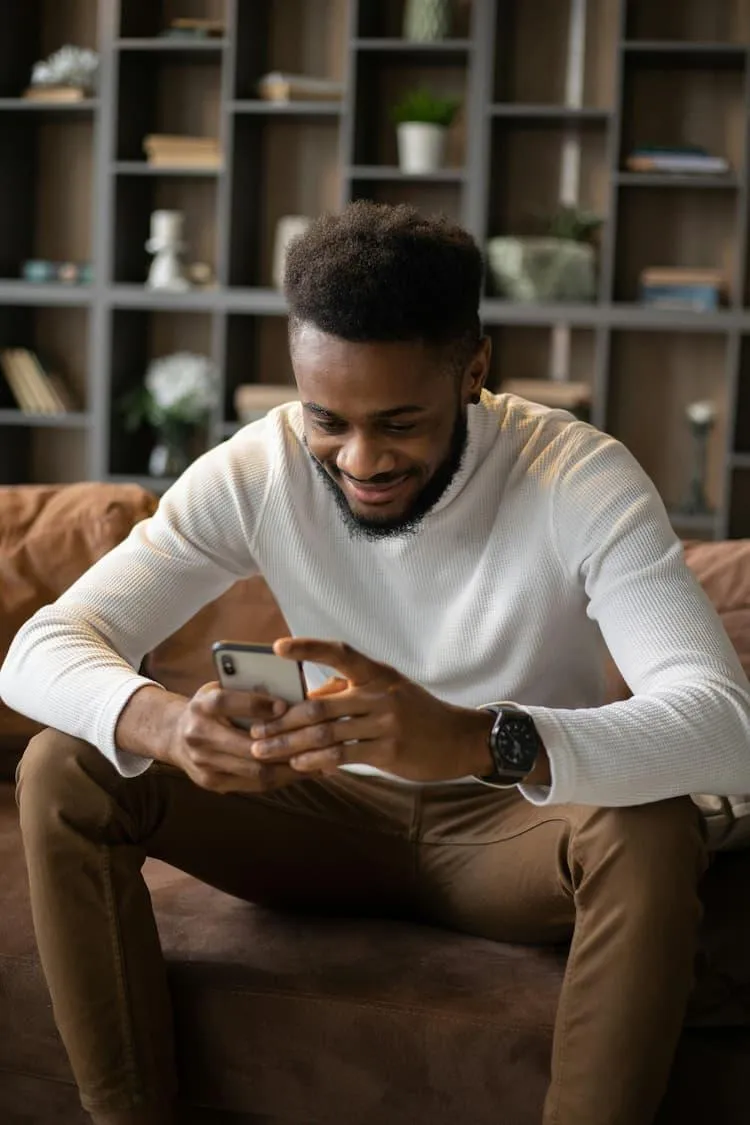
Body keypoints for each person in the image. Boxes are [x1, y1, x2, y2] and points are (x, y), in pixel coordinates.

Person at [2, 202, 750, 1125]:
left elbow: (727, 725)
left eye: (400, 422)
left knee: (650, 828)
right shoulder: (260, 466)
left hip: (509, 828)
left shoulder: (580, 477)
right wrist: (163, 720)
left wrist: (482, 740)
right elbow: (40, 645)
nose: (360, 459)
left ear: (473, 370)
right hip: (325, 808)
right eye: (329, 420)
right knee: (64, 764)